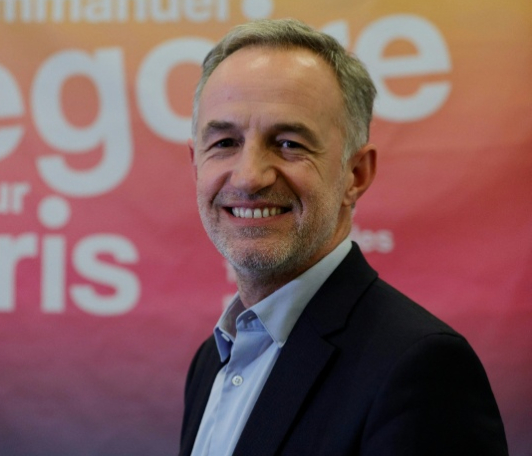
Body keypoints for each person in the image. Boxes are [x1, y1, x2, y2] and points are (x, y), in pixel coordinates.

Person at [180, 18, 508, 456]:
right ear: (195, 163)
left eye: (289, 143)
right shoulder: (212, 360)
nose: (249, 176)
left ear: (356, 174)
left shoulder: (421, 368)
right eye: (224, 142)